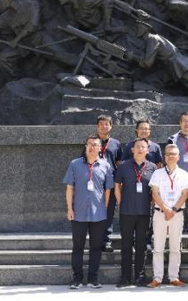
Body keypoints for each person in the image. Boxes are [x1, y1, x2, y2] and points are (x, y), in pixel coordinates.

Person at [63, 135, 114, 289]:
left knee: (96, 248)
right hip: (78, 213)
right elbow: (69, 188)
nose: (92, 147)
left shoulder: (105, 166)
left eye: (95, 144)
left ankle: (93, 279)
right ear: (85, 146)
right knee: (78, 247)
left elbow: (108, 190)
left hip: (99, 214)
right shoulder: (75, 164)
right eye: (89, 144)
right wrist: (70, 209)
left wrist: (104, 208)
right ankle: (77, 279)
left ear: (100, 148)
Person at [114, 138, 158, 288]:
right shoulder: (124, 166)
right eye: (137, 146)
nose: (140, 149)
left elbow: (155, 189)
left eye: (143, 147)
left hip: (144, 212)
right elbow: (117, 186)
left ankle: (139, 276)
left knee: (141, 246)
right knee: (126, 245)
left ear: (147, 150)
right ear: (132, 149)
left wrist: (152, 202)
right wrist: (120, 203)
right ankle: (125, 277)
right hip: (126, 212)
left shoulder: (152, 167)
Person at [148, 144, 188, 288]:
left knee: (175, 247)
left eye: (173, 154)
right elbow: (154, 193)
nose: (171, 156)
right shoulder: (157, 173)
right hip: (160, 213)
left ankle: (174, 277)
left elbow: (185, 194)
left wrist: (173, 210)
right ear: (165, 157)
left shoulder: (184, 174)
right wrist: (165, 209)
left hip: (176, 215)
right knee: (158, 247)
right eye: (168, 154)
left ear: (178, 157)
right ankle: (157, 278)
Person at [167, 111, 188, 229]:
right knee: (176, 204)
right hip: (176, 179)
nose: (187, 124)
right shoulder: (173, 139)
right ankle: (176, 228)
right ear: (180, 123)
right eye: (184, 121)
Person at [94, 114, 121, 252]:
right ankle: (96, 239)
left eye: (107, 124)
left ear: (111, 126)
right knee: (95, 211)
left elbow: (119, 163)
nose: (104, 126)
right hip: (95, 183)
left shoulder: (116, 143)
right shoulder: (92, 142)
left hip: (111, 183)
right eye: (101, 124)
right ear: (97, 126)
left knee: (109, 212)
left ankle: (106, 241)